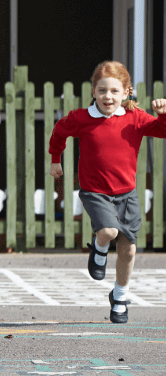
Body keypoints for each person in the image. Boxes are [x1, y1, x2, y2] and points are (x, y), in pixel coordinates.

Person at [48, 60, 166, 323]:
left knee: (129, 250)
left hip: (127, 194)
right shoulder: (81, 118)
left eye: (114, 91)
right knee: (108, 231)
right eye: (102, 91)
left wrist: (163, 114)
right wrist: (55, 159)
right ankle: (99, 250)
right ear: (93, 91)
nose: (107, 97)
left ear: (126, 92)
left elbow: (163, 130)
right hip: (95, 191)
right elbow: (59, 132)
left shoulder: (135, 118)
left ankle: (120, 297)